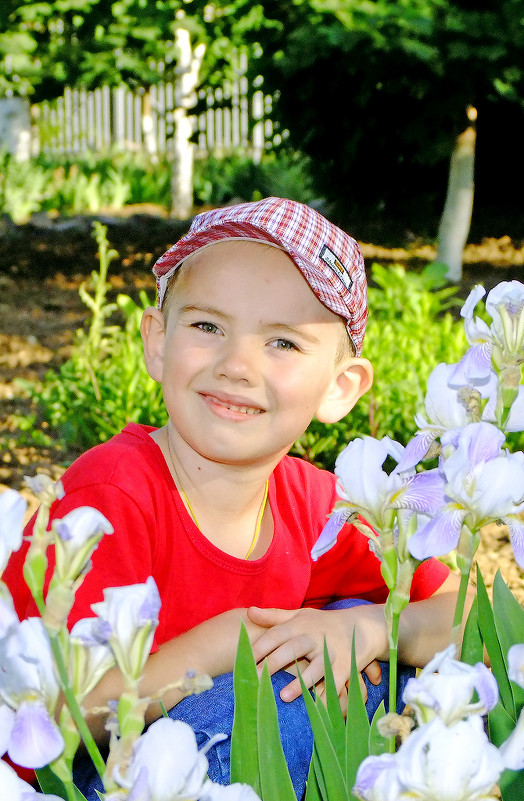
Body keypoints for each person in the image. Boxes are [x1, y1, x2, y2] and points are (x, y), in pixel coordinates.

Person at [5, 197, 458, 798]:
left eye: (284, 344)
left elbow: (466, 608)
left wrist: (374, 629)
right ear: (158, 341)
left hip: (231, 752)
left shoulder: (321, 503)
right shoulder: (112, 495)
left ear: (340, 387)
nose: (237, 365)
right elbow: (57, 719)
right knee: (281, 689)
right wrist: (223, 645)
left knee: (364, 646)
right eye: (208, 327)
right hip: (93, 773)